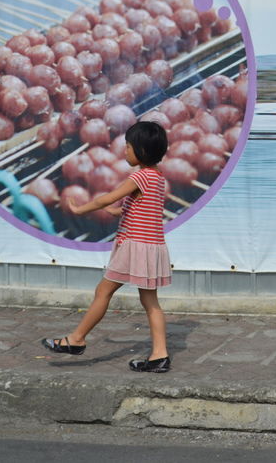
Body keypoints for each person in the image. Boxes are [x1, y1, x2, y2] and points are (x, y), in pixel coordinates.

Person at [41, 121, 173, 373]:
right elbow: (136, 206)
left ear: (141, 151)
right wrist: (117, 211)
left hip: (134, 247)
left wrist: (81, 208)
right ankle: (160, 355)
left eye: (128, 147)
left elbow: (108, 197)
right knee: (151, 303)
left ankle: (76, 340)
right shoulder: (157, 177)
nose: (125, 151)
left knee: (103, 292)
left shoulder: (139, 176)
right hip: (152, 247)